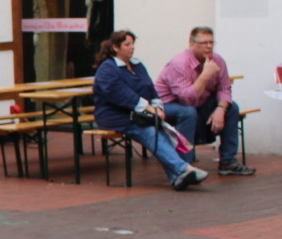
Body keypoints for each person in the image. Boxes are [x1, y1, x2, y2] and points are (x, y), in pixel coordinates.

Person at [92, 30, 206, 190]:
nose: (132, 47)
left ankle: (178, 177)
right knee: (150, 131)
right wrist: (149, 108)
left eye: (133, 43)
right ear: (116, 47)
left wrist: (158, 106)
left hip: (139, 113)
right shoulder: (108, 69)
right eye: (127, 44)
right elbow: (121, 95)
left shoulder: (137, 65)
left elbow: (151, 89)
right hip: (115, 116)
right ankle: (184, 169)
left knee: (161, 131)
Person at [155, 26, 255, 177]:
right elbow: (186, 99)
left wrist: (220, 109)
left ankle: (228, 162)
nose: (209, 46)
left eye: (211, 42)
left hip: (199, 102)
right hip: (168, 105)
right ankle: (184, 167)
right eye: (204, 43)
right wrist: (205, 75)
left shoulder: (218, 60)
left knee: (232, 108)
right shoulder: (180, 63)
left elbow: (224, 88)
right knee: (188, 112)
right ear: (192, 44)